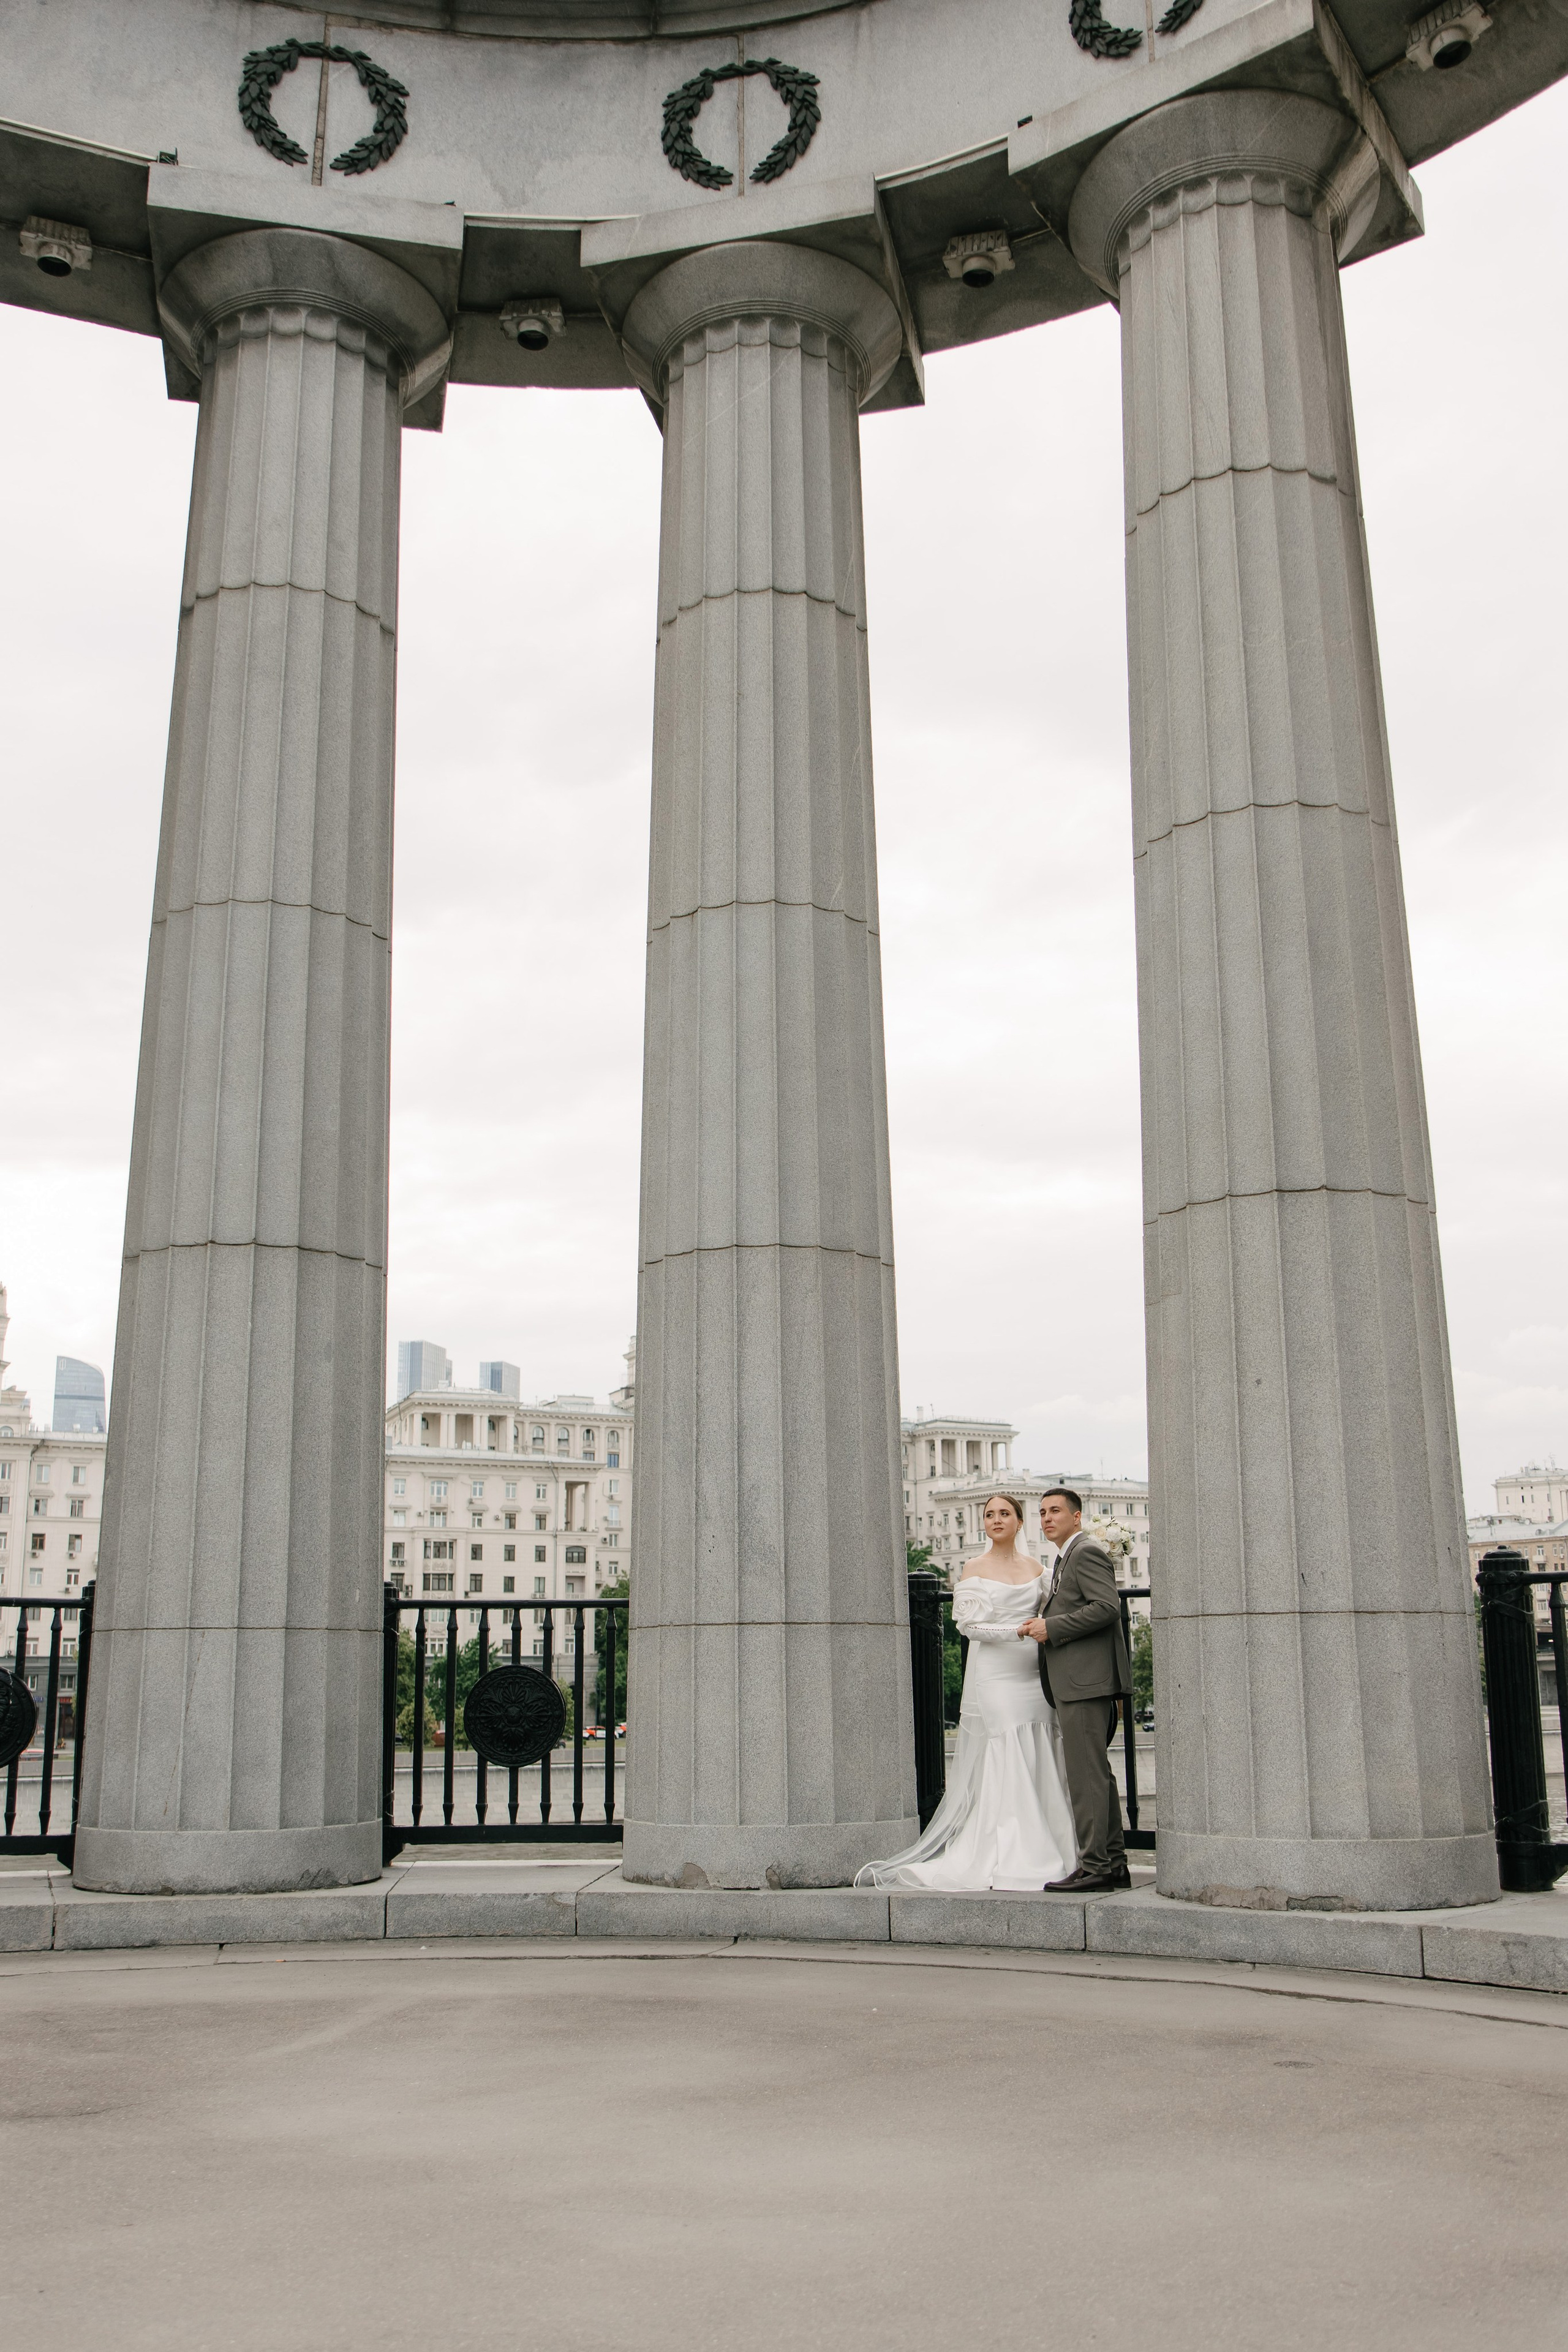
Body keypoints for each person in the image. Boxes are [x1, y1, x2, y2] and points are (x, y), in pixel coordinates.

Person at [856, 1494, 1077, 1891]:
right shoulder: (974, 1568)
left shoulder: (1040, 1570)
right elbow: (968, 1626)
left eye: (1004, 1514)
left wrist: (1039, 1631)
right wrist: (1018, 1631)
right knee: (1008, 1749)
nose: (996, 1520)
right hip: (995, 1676)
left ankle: (1056, 1846)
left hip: (1033, 1675)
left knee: (1041, 1748)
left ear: (1018, 1522)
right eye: (989, 1514)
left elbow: (1050, 1616)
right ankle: (1012, 1853)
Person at [1019, 1487, 1133, 1892]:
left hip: (1085, 1683)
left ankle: (1094, 1868)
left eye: (1056, 1511)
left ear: (1077, 1516)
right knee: (1097, 1775)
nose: (1047, 1518)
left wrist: (1052, 1627)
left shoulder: (1085, 1552)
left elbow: (1107, 1607)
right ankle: (1114, 1864)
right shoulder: (1067, 1556)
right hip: (1080, 1681)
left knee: (1086, 1779)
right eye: (1043, 1512)